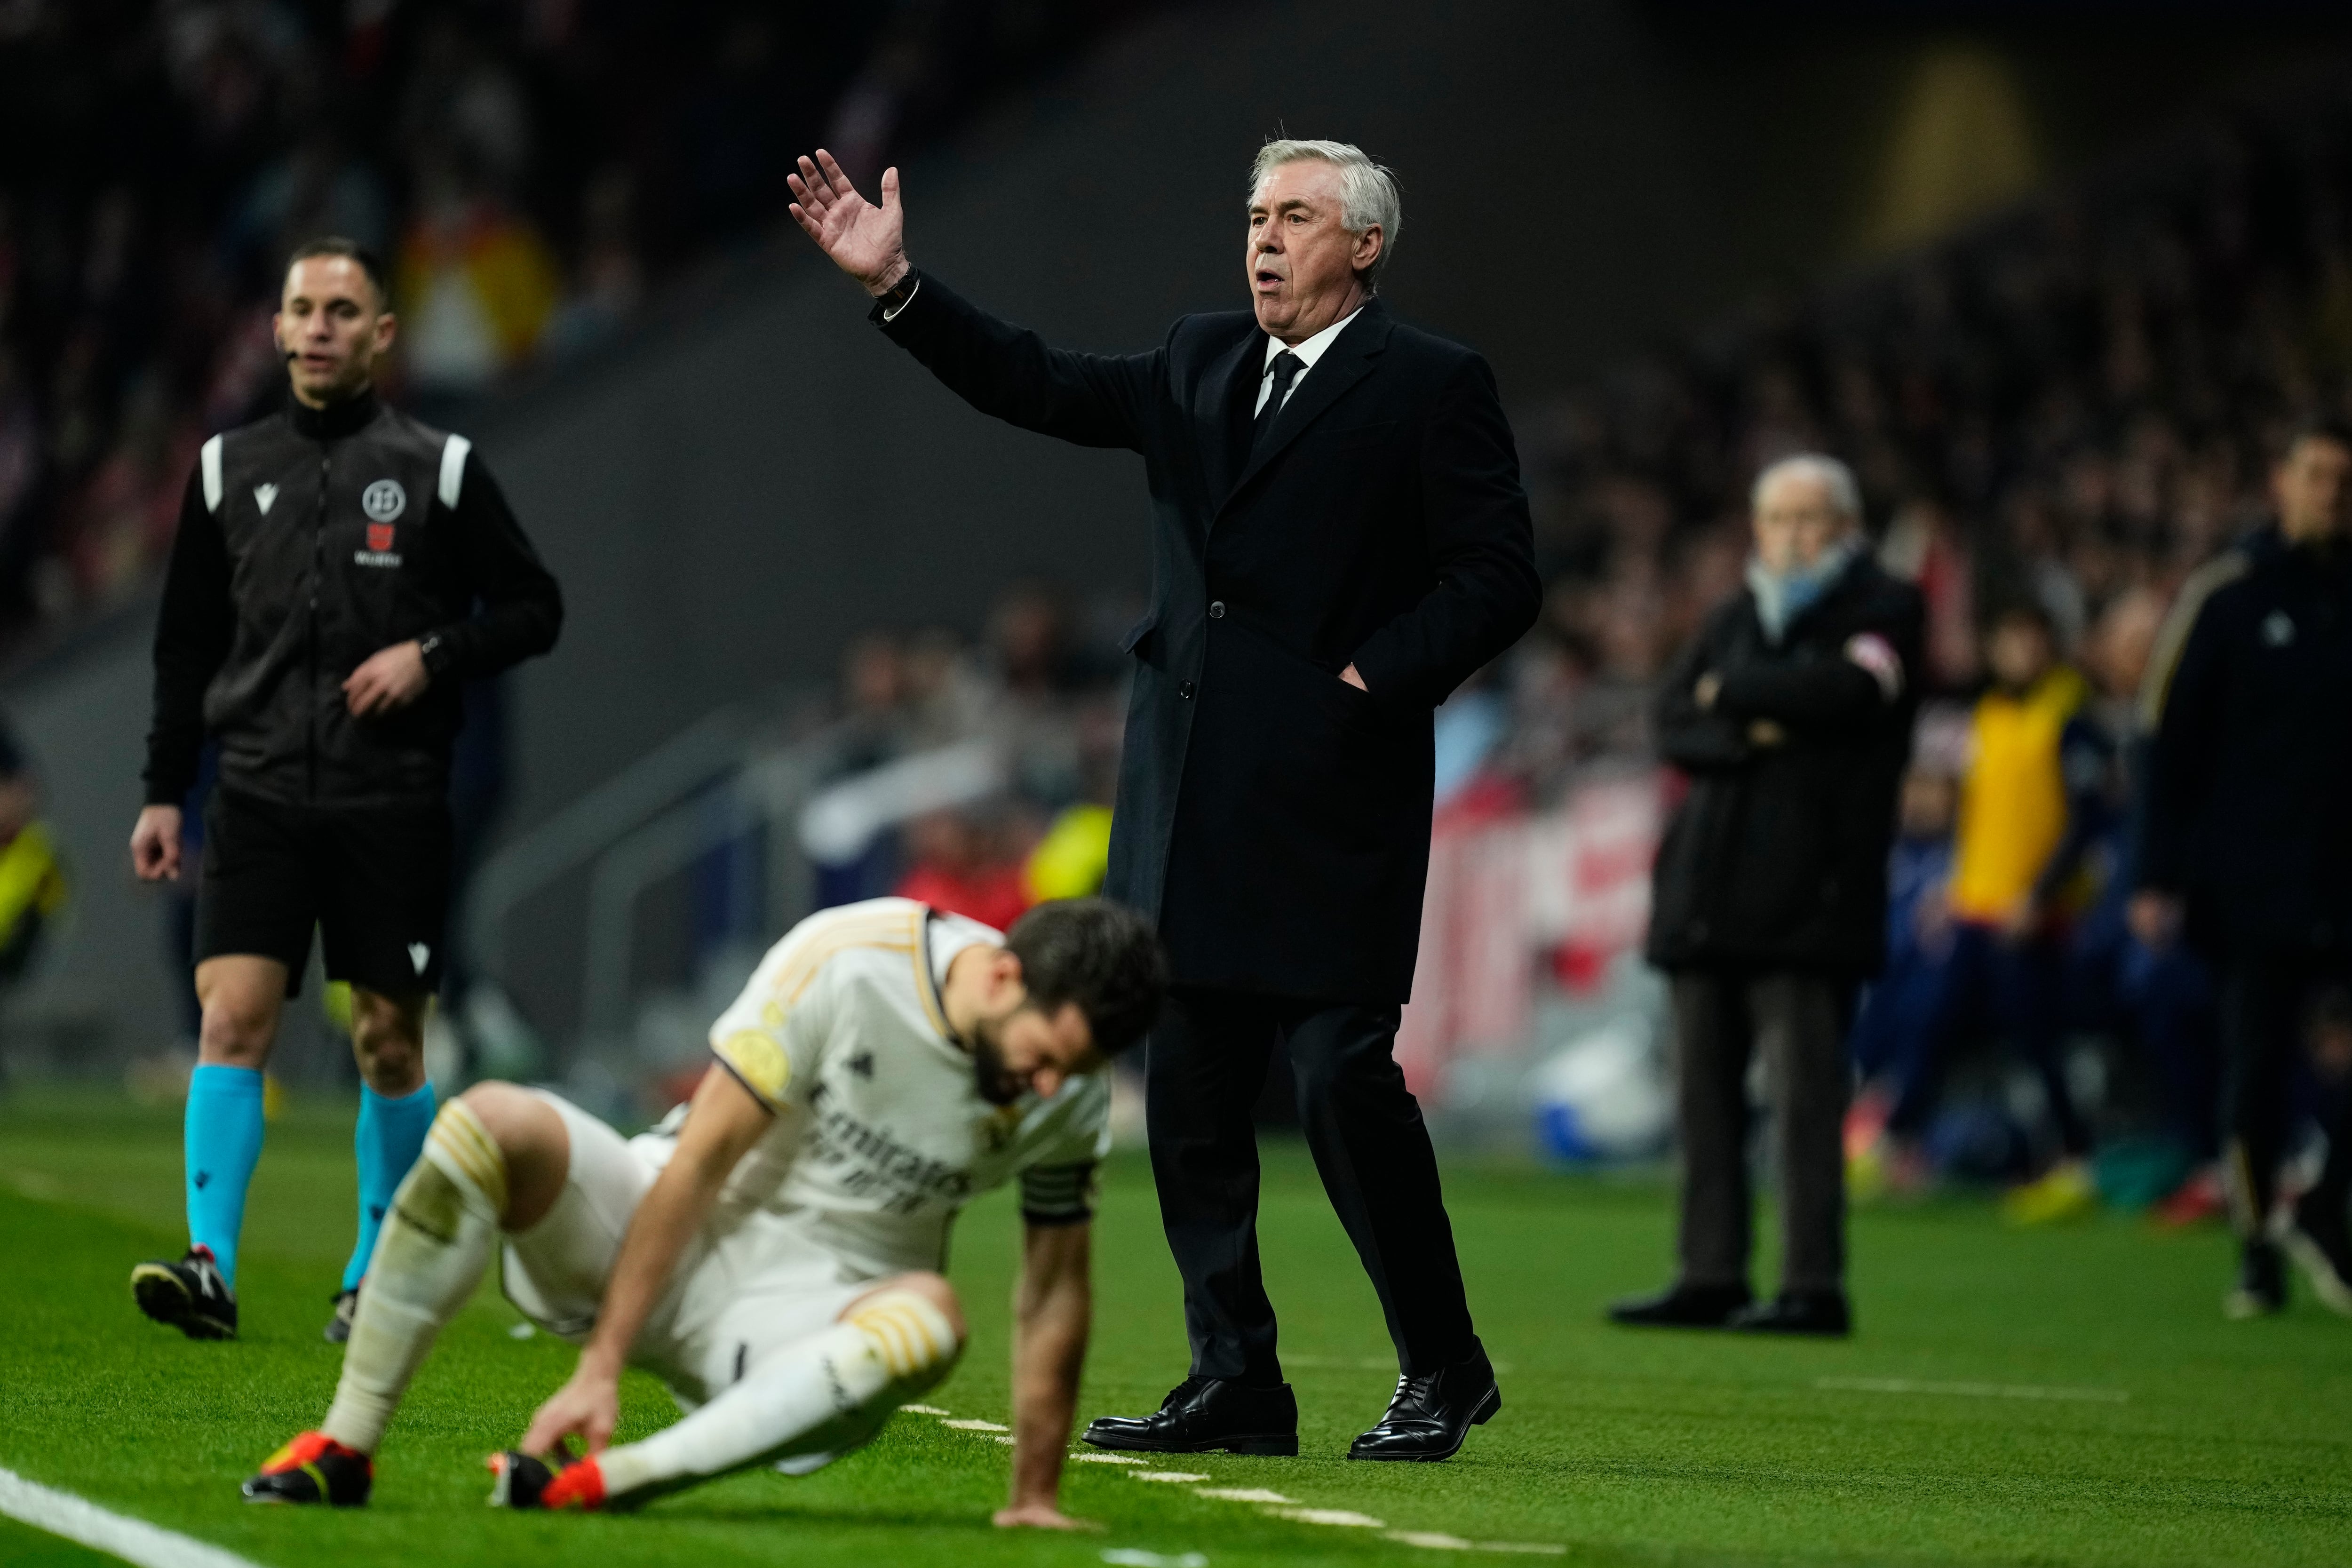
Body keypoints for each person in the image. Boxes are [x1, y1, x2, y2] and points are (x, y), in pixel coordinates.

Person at [786, 138, 1538, 1460]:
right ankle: (1235, 1375)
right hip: (1185, 788)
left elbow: (1497, 575)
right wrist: (898, 286)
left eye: (1296, 217)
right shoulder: (1199, 356)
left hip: (1331, 795)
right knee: (1188, 1090)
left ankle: (1444, 1361)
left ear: (1363, 245)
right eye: (1255, 214)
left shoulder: (1429, 382)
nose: (1264, 238)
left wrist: (1371, 677)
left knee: (1340, 1079)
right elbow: (1038, 381)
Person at [241, 896, 1167, 1529]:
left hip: (800, 1335)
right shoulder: (847, 960)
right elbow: (699, 1162)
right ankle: (345, 1442)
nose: (1049, 1086)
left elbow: (1052, 1291)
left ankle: (616, 1481)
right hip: (650, 1234)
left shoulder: (1067, 1097)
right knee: (492, 1119)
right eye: (1047, 1054)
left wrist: (1034, 1492)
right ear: (1004, 977)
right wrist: (600, 1364)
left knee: (931, 1318)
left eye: (1073, 1074)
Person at [127, 237, 563, 1343]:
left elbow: (533, 607)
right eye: (300, 309)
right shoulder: (227, 469)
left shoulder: (443, 468)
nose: (317, 327)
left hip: (393, 805)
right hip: (260, 794)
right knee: (232, 1018)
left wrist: (432, 653)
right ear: (275, 331)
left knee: (386, 1041)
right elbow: (185, 646)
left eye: (341, 310)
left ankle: (376, 1269)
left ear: (381, 334)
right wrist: (163, 791)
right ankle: (208, 1265)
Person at [1620, 454, 1922, 1337]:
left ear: (1847, 526)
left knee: (1804, 1102)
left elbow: (1850, 693)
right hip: (1707, 891)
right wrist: (1761, 730)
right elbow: (1672, 716)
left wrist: (1736, 697)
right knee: (1704, 1097)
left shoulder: (1885, 606)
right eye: (1777, 519)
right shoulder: (1734, 612)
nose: (1791, 536)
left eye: (1809, 519)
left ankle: (1810, 1284)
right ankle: (1709, 1271)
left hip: (1810, 900)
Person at [2134, 420, 2352, 1318]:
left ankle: (2325, 1204)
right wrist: (2157, 873)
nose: (2330, 493)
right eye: (2316, 475)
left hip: (2346, 874)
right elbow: (2164, 738)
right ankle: (2258, 1244)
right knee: (2255, 1065)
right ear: (2282, 481)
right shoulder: (2227, 595)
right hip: (2250, 877)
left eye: (2344, 480)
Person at [1924, 602, 2110, 1224]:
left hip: (2034, 913)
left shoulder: (2070, 719)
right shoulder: (1991, 715)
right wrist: (1951, 884)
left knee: (2038, 1037)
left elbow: (2085, 821)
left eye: (2029, 641)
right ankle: (1907, 1139)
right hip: (1978, 902)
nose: (2019, 654)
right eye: (2008, 641)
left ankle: (2073, 1160)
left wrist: (2042, 895)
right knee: (1939, 1020)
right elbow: (1977, 813)